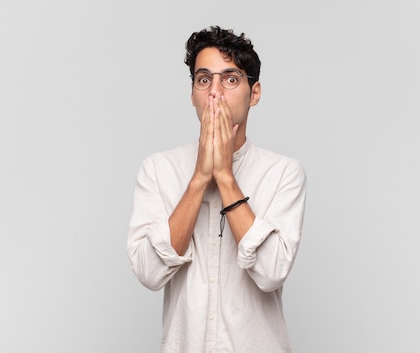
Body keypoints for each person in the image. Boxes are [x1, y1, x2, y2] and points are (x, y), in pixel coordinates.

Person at [127, 25, 307, 353]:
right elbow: (150, 273)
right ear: (193, 93)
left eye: (231, 79)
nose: (215, 92)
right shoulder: (158, 169)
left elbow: (271, 273)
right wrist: (199, 178)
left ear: (254, 94)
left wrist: (224, 176)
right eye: (204, 79)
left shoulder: (283, 173)